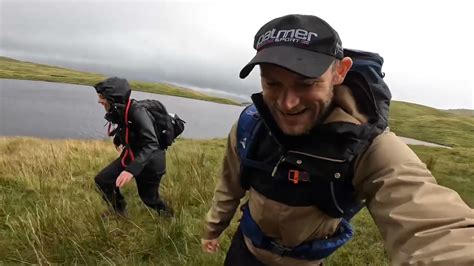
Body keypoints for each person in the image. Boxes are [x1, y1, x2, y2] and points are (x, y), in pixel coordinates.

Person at [201, 14, 474, 265]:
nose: (287, 103)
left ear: (340, 72)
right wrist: (213, 229)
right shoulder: (250, 124)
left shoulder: (368, 145)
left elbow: (433, 226)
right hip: (244, 252)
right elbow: (229, 183)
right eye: (272, 83)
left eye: (306, 83)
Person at [93, 77, 172, 217]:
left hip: (151, 163)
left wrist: (131, 171)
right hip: (132, 157)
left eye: (102, 97)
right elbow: (129, 128)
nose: (99, 100)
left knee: (149, 199)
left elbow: (151, 143)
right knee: (103, 180)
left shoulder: (137, 112)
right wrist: (118, 138)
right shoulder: (121, 109)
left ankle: (168, 216)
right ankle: (119, 210)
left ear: (113, 98)